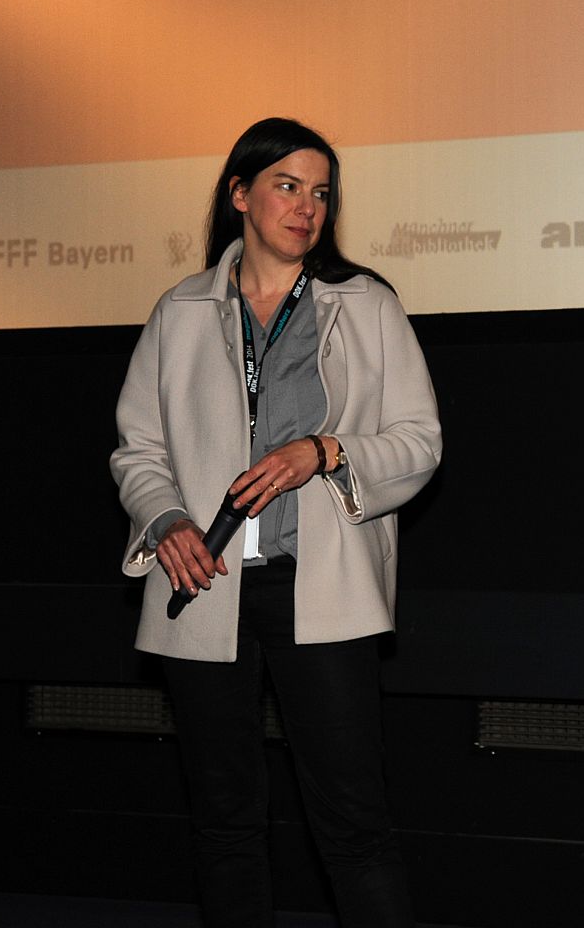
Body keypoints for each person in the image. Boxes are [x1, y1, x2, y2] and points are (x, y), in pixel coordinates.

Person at [111, 117, 441, 928]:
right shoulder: (180, 310)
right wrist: (167, 520)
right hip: (205, 589)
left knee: (354, 826)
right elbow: (138, 450)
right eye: (287, 186)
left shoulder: (365, 304)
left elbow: (420, 442)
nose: (307, 207)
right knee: (224, 822)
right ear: (239, 195)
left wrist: (326, 451)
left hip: (320, 593)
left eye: (320, 193)